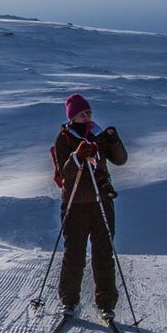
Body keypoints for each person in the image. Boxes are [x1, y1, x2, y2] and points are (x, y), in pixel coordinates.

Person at [53, 94, 127, 319]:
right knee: (74, 254)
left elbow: (120, 160)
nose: (87, 117)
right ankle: (69, 302)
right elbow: (65, 172)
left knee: (103, 253)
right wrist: (78, 157)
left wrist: (113, 140)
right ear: (73, 116)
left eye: (89, 113)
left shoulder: (98, 134)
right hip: (75, 203)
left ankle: (106, 304)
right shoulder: (64, 139)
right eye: (83, 114)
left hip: (101, 201)